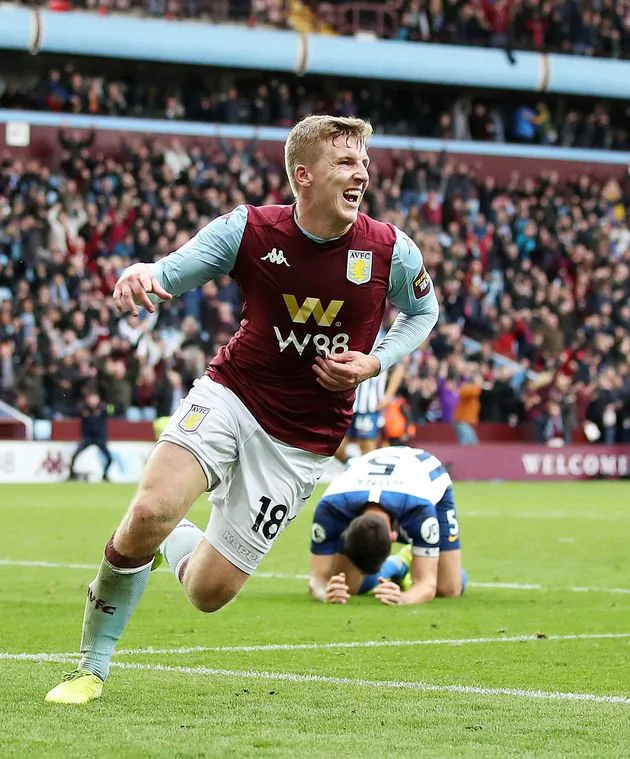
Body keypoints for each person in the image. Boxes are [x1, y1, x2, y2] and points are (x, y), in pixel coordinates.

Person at [46, 114, 439, 704]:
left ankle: (174, 541)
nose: (361, 173)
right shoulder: (250, 230)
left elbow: (424, 313)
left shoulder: (390, 250)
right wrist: (144, 272)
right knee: (148, 510)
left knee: (208, 593)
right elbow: (171, 270)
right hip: (232, 394)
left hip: (300, 441)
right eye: (345, 162)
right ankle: (91, 668)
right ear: (304, 175)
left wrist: (375, 362)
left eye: (363, 162)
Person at [308, 446, 463, 604]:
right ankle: (396, 565)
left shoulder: (419, 510)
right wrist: (326, 593)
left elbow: (427, 584)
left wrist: (402, 598)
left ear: (393, 536)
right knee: (347, 586)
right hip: (365, 479)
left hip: (426, 472)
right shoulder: (331, 508)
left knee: (448, 588)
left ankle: (404, 560)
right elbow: (317, 578)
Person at [335, 359, 406, 464]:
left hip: (369, 407)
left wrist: (388, 395)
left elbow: (399, 368)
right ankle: (353, 466)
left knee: (367, 449)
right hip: (345, 404)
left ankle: (366, 470)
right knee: (335, 446)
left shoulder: (380, 347)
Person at [68, 387, 113, 482]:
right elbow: (72, 412)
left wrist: (108, 406)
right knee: (74, 456)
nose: (92, 401)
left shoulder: (103, 408)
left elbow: (113, 410)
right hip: (87, 437)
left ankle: (105, 475)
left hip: (99, 437)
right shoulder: (83, 409)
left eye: (94, 398)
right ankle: (71, 475)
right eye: (90, 398)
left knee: (109, 458)